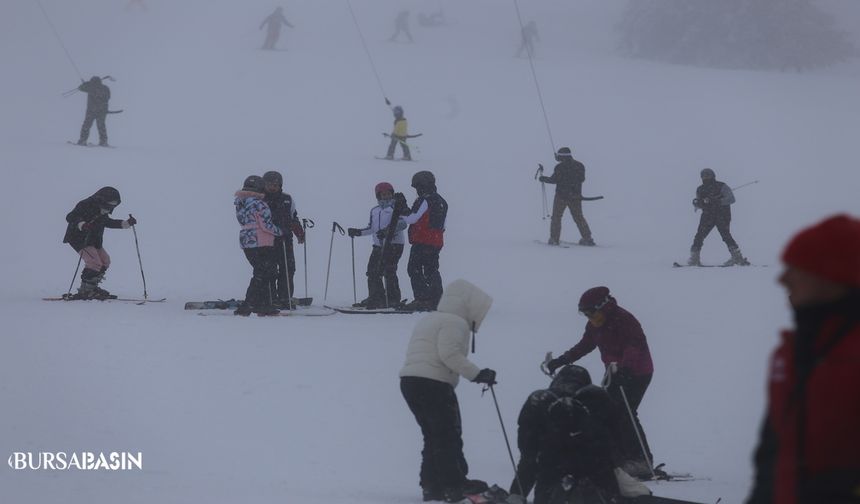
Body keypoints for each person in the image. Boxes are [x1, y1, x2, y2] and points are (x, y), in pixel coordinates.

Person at [746, 214, 860, 504]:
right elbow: (772, 457)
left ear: (832, 277)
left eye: (796, 269)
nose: (782, 279)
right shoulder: (790, 354)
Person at [399, 279, 496, 503]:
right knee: (446, 435)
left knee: (433, 435)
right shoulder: (455, 322)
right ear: (469, 306)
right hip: (433, 384)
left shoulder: (430, 319)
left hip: (410, 382)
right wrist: (478, 374)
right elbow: (449, 355)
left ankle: (432, 486)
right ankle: (453, 486)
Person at [546, 286, 654, 478]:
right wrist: (563, 359)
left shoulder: (625, 320)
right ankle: (620, 458)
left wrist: (625, 369)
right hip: (613, 372)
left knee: (625, 412)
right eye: (585, 314)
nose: (590, 318)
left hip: (637, 372)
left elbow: (634, 346)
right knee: (608, 413)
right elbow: (586, 344)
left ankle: (641, 461)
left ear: (603, 307)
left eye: (592, 313)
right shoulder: (595, 324)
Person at [63, 187, 136, 299]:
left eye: (113, 205)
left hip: (94, 240)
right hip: (79, 238)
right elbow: (70, 216)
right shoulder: (85, 205)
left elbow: (107, 222)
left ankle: (92, 287)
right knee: (94, 262)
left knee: (105, 261)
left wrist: (126, 223)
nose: (111, 208)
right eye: (110, 204)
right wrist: (82, 224)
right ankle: (85, 291)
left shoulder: (102, 210)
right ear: (102, 200)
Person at [347, 182, 407, 309]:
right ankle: (376, 297)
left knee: (389, 270)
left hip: (394, 244)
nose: (386, 196)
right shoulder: (375, 210)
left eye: (388, 194)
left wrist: (387, 232)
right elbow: (372, 228)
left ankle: (392, 299)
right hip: (378, 246)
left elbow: (402, 224)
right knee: (372, 271)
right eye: (383, 194)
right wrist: (358, 232)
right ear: (378, 196)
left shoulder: (396, 208)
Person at [234, 175, 282, 316]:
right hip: (261, 241)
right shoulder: (260, 204)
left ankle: (262, 304)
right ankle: (248, 305)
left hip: (246, 241)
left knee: (262, 272)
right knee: (263, 273)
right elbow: (265, 225)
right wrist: (280, 231)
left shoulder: (240, 203)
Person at [399, 171, 448, 311]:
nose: (417, 190)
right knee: (431, 269)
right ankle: (436, 299)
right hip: (436, 241)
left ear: (423, 186)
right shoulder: (442, 201)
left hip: (422, 240)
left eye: (417, 187)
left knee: (414, 268)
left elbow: (412, 218)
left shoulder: (425, 200)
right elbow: (443, 225)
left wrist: (402, 209)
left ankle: (422, 299)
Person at [688, 168, 748, 266]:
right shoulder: (700, 189)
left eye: (708, 175)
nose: (705, 177)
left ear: (713, 175)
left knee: (726, 235)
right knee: (699, 236)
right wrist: (697, 203)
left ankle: (737, 257)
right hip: (707, 215)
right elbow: (700, 203)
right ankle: (694, 259)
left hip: (722, 215)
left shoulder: (722, 186)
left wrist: (717, 201)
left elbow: (731, 199)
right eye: (703, 176)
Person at [262, 170, 304, 309]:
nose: (272, 187)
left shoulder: (287, 199)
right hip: (267, 240)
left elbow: (293, 217)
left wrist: (298, 232)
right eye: (269, 184)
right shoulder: (260, 199)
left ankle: (285, 297)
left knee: (288, 268)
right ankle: (271, 298)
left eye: (275, 185)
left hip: (285, 240)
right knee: (270, 270)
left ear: (280, 185)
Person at [538, 147, 594, 246]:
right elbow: (582, 179)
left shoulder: (559, 167)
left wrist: (543, 178)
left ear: (562, 157)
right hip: (576, 197)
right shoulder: (579, 165)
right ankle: (588, 238)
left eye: (559, 156)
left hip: (561, 197)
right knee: (579, 217)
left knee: (556, 217)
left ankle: (554, 239)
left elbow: (554, 180)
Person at [76, 76, 111, 147]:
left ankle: (83, 140)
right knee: (101, 126)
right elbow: (108, 97)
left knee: (87, 125)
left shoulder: (90, 87)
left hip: (91, 110)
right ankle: (103, 141)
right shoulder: (105, 88)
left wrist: (86, 83)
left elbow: (80, 88)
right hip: (102, 111)